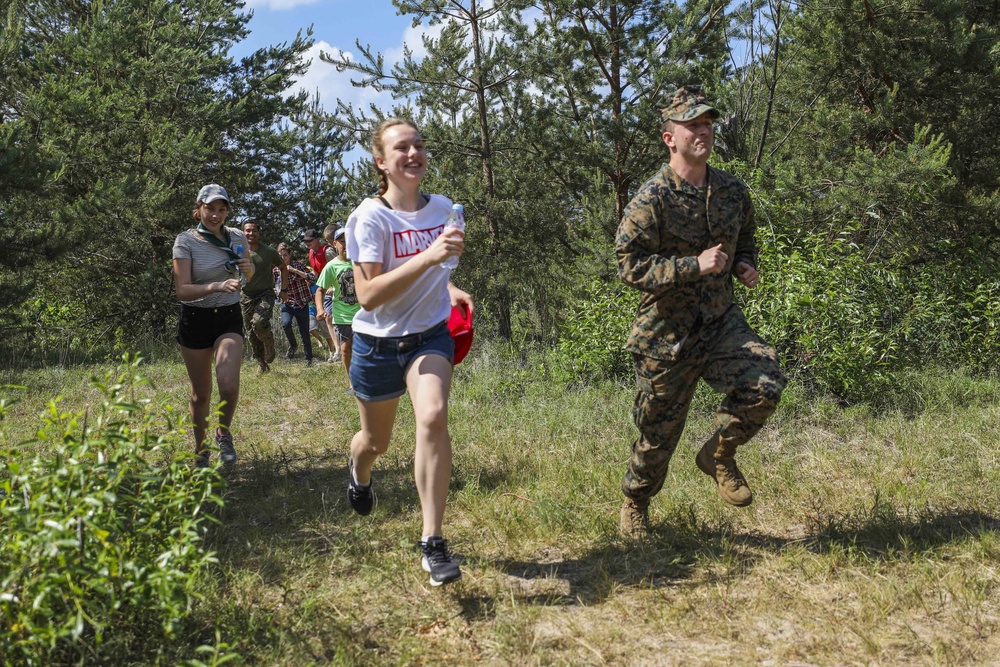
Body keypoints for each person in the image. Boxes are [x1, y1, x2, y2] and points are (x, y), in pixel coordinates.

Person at [615, 86, 786, 538]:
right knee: (657, 435)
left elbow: (744, 234)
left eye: (707, 123)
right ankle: (635, 502)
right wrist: (693, 265)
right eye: (693, 125)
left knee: (764, 382)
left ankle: (719, 453)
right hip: (667, 333)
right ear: (670, 138)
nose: (703, 131)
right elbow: (628, 263)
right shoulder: (652, 198)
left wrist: (746, 263)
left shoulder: (731, 190)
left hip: (720, 320)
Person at [345, 117, 474, 586]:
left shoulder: (443, 208)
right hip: (377, 345)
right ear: (382, 162)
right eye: (402, 147)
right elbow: (368, 294)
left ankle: (433, 541)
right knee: (375, 443)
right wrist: (431, 258)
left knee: (433, 416)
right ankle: (359, 471)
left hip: (429, 336)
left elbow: (438, 267)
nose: (414, 153)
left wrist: (451, 285)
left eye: (419, 145)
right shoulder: (369, 217)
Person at [172, 184, 254, 468]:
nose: (215, 216)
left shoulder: (237, 236)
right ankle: (200, 449)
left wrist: (248, 272)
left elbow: (249, 273)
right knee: (202, 393)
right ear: (199, 208)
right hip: (195, 319)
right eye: (210, 209)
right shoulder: (186, 241)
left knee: (229, 386)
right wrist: (217, 285)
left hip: (228, 316)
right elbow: (182, 290)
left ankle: (224, 434)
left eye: (221, 210)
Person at [240, 221, 289, 374]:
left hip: (265, 294)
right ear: (243, 233)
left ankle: (269, 343)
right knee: (251, 332)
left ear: (259, 233)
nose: (250, 233)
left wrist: (284, 290)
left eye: (254, 231)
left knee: (259, 323)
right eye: (247, 231)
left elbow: (283, 268)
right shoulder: (239, 251)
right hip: (246, 296)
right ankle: (262, 363)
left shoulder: (268, 252)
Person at [315, 227, 361, 382]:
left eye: (350, 241)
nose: (346, 245)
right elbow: (320, 290)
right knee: (345, 349)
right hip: (342, 315)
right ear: (335, 244)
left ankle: (366, 379)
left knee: (364, 350)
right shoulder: (331, 266)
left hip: (363, 314)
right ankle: (352, 382)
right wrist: (320, 309)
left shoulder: (361, 262)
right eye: (342, 242)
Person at [275, 242, 315, 366]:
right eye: (280, 256)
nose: (283, 258)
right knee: (286, 324)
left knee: (304, 332)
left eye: (285, 255)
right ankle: (293, 345)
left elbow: (312, 278)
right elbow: (274, 285)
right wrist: (276, 290)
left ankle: (309, 359)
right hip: (287, 303)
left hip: (301, 302)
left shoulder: (297, 265)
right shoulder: (276, 269)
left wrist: (295, 271)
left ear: (290, 255)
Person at [321, 224, 342, 362]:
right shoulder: (330, 253)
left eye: (330, 241)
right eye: (328, 241)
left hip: (342, 290)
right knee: (329, 318)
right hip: (330, 289)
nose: (329, 245)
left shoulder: (331, 252)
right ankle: (337, 350)